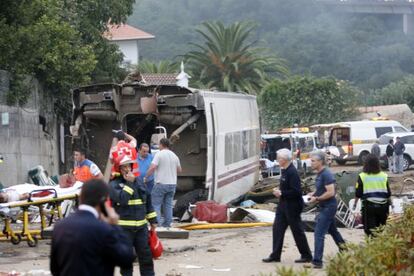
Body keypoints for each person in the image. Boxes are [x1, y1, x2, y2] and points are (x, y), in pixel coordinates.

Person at [50, 179, 134, 276]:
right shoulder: (104, 229)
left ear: (81, 197)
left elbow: (54, 269)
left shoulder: (60, 226)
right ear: (104, 201)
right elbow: (126, 259)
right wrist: (115, 225)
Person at [262, 149, 313, 264]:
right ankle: (275, 255)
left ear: (284, 160)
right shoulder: (284, 170)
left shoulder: (292, 172)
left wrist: (282, 193)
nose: (277, 160)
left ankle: (306, 255)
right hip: (283, 205)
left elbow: (297, 192)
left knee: (297, 230)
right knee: (277, 229)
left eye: (278, 158)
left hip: (293, 206)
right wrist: (280, 191)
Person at [110, 155, 157, 276]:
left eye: (128, 166)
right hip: (124, 229)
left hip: (141, 228)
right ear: (119, 169)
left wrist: (153, 220)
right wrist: (129, 183)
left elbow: (147, 201)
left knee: (146, 258)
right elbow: (123, 199)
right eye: (124, 167)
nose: (127, 169)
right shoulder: (113, 184)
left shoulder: (139, 182)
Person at [308, 151, 345, 269]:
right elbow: (321, 189)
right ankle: (344, 249)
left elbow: (330, 192)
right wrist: (313, 194)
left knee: (319, 233)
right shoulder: (320, 174)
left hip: (329, 207)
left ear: (320, 162)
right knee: (333, 230)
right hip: (324, 206)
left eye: (313, 161)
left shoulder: (326, 174)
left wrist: (317, 198)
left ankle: (317, 261)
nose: (311, 163)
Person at [146, 138, 181, 228]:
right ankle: (167, 224)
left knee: (156, 204)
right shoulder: (174, 155)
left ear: (161, 144)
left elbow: (153, 167)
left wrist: (146, 177)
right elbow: (179, 170)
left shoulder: (159, 154)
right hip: (172, 184)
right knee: (168, 205)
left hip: (161, 183)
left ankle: (157, 225)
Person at [353, 154, 391, 236]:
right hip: (383, 208)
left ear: (366, 164)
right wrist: (392, 205)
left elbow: (358, 193)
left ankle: (372, 246)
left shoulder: (362, 176)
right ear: (377, 164)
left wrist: (354, 205)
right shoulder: (384, 176)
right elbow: (388, 193)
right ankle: (378, 245)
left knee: (369, 231)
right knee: (380, 230)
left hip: (369, 208)